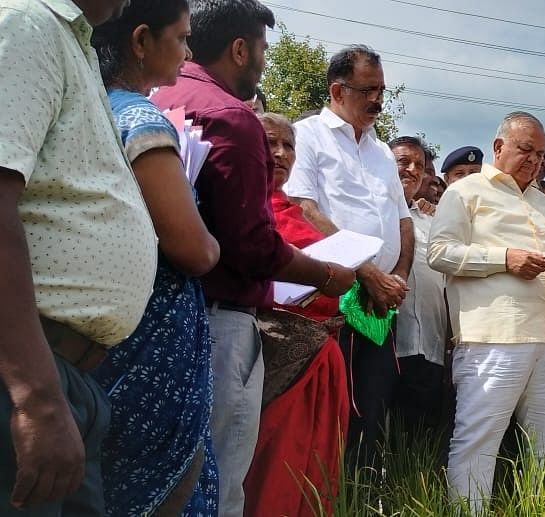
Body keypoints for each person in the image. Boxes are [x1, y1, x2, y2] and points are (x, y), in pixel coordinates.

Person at [150, 1, 356, 512]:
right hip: (221, 320)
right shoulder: (233, 117)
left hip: (155, 310)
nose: (263, 63)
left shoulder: (157, 95)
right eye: (262, 51)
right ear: (240, 49)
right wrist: (327, 273)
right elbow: (253, 246)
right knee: (216, 475)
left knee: (161, 471)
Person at [0, 0, 158, 513]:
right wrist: (36, 397)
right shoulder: (25, 24)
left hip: (69, 378)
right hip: (27, 374)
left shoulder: (76, 43)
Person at [90, 0, 221, 514]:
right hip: (156, 346)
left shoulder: (91, 106)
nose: (188, 52)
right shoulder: (141, 119)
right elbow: (191, 249)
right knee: (166, 491)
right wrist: (210, 242)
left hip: (108, 339)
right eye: (182, 38)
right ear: (141, 42)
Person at [429, 111, 545, 515]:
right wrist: (504, 258)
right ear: (499, 147)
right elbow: (439, 252)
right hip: (494, 336)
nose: (534, 160)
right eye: (525, 150)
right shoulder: (465, 192)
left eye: (541, 154)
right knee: (479, 441)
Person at [283, 44, 414, 468]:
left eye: (381, 90)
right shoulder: (307, 136)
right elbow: (304, 209)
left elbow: (403, 220)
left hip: (382, 301)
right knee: (332, 408)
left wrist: (397, 276)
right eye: (368, 90)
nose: (378, 100)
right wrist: (368, 273)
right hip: (331, 298)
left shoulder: (381, 152)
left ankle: (362, 496)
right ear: (338, 91)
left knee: (373, 405)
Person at [241, 112, 352, 517]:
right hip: (273, 354)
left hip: (321, 357)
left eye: (289, 145)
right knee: (270, 475)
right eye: (270, 142)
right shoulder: (241, 207)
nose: (280, 153)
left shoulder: (298, 213)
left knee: (313, 474)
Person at [388, 136, 449, 438]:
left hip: (429, 346)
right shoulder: (371, 213)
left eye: (419, 166)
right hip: (380, 343)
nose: (412, 170)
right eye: (403, 162)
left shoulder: (432, 222)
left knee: (418, 439)